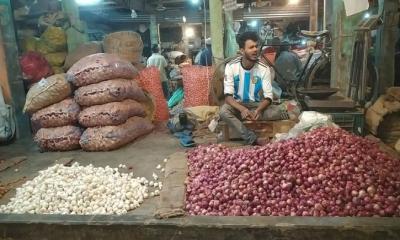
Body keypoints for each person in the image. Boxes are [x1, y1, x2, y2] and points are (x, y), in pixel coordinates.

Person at [220, 31, 280, 146]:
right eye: (251, 47)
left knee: (276, 111)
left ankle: (245, 119)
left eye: (256, 46)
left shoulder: (264, 68)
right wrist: (242, 109)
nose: (255, 50)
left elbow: (268, 97)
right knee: (223, 111)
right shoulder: (231, 66)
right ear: (242, 51)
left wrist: (258, 110)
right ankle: (251, 138)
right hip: (238, 106)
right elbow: (228, 97)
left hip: (255, 106)